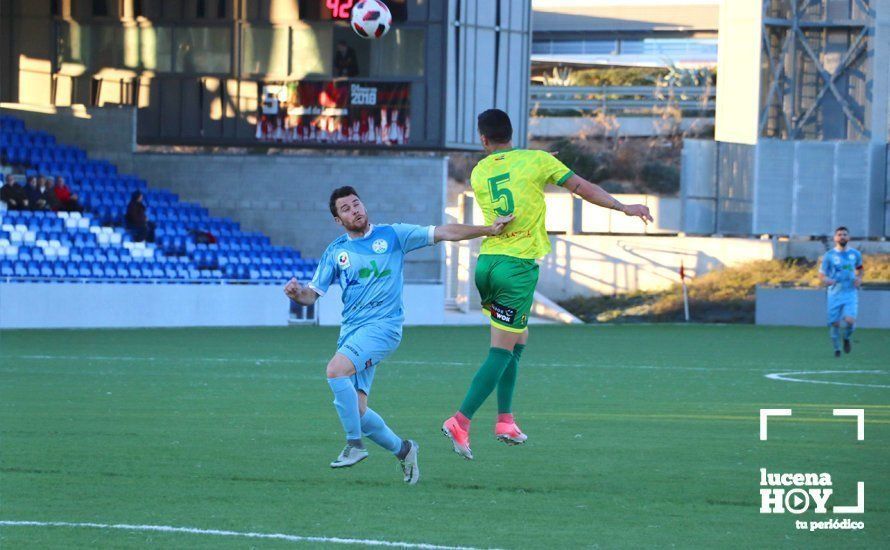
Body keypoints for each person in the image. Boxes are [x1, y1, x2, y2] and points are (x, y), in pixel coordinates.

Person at [441, 109, 654, 460]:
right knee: (501, 350)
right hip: (516, 268)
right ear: (514, 132)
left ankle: (506, 420)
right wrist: (622, 206)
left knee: (518, 339)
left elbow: (510, 175)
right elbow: (582, 187)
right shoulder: (537, 160)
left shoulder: (479, 171)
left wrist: (536, 163)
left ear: (482, 139)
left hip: (488, 263)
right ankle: (460, 421)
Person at [283, 186, 513, 484]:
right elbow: (311, 295)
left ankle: (354, 445)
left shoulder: (393, 235)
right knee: (358, 410)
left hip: (384, 328)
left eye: (357, 204)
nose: (355, 210)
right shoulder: (336, 251)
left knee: (334, 371)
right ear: (338, 220)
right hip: (352, 332)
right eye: (346, 209)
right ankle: (404, 451)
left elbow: (444, 232)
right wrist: (295, 293)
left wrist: (488, 230)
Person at [819, 226, 863, 357]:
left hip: (850, 292)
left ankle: (847, 338)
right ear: (835, 238)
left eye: (844, 234)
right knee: (835, 323)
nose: (842, 236)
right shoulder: (829, 256)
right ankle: (837, 348)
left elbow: (860, 269)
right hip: (835, 293)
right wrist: (827, 280)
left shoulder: (855, 254)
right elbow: (821, 274)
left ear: (848, 237)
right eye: (839, 234)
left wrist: (859, 278)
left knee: (850, 320)